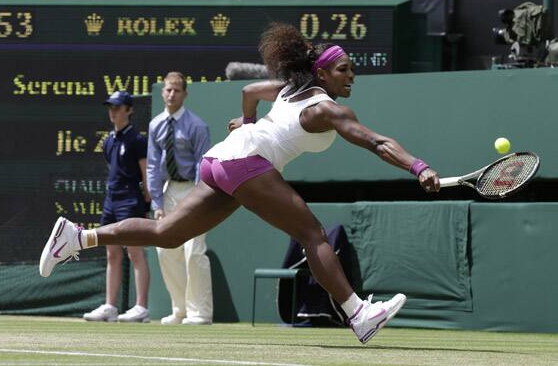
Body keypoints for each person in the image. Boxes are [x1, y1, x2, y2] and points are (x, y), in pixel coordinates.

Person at [40, 23, 440, 345]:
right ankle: (358, 313)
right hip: (244, 163)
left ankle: (77, 238)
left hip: (221, 159)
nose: (351, 75)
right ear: (321, 72)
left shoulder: (287, 90)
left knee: (166, 233)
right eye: (343, 69)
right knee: (312, 233)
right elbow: (377, 141)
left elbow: (249, 92)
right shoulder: (327, 108)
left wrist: (247, 123)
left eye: (352, 69)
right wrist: (417, 165)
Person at [147, 72, 213, 325]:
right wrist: (157, 203)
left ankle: (200, 313)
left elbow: (202, 163)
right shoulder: (155, 125)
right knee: (165, 250)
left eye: (176, 90)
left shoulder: (197, 125)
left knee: (193, 252)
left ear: (185, 94)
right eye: (167, 90)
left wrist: (199, 199)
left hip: (194, 191)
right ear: (162, 92)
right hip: (169, 190)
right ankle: (180, 309)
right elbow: (153, 166)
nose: (171, 94)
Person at [82, 91, 152, 323]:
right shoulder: (109, 141)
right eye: (110, 107)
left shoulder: (137, 140)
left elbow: (145, 174)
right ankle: (110, 306)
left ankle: (141, 307)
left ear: (129, 110)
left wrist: (147, 201)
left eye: (118, 107)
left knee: (134, 252)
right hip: (111, 200)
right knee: (111, 253)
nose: (113, 112)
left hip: (130, 200)